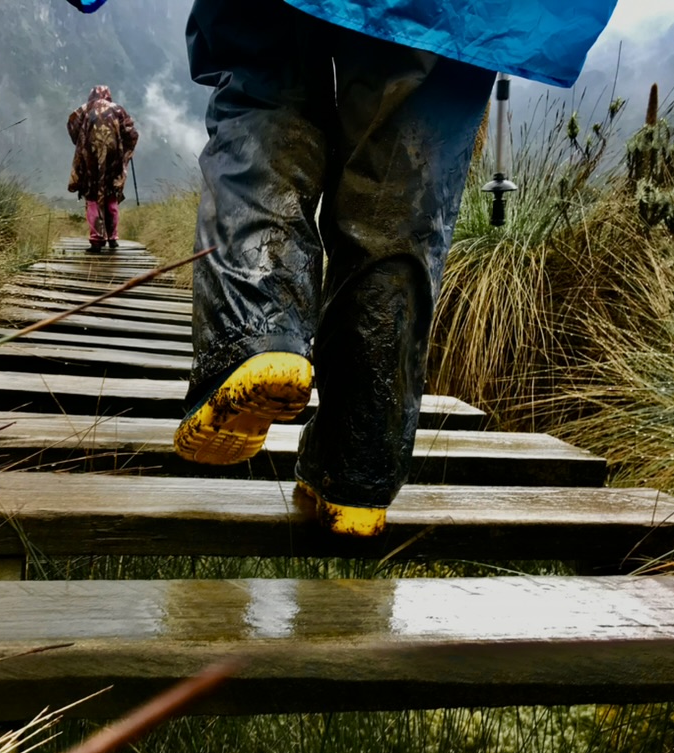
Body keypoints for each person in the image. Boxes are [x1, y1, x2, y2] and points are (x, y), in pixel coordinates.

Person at [63, 0, 617, 536]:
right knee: (404, 188)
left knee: (265, 88)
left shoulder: (85, 114)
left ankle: (257, 331)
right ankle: (359, 465)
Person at [67, 85, 138, 254]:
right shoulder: (118, 110)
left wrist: (82, 140)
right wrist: (126, 150)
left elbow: (71, 126)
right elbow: (132, 133)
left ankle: (96, 239)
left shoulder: (83, 109)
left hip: (89, 158)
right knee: (111, 195)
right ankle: (112, 237)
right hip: (113, 158)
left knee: (92, 196)